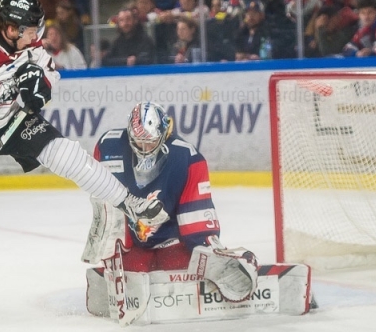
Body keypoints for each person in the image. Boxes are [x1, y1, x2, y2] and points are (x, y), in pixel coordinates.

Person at [0, 0, 168, 314]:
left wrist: (41, 89)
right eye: (31, 30)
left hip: (7, 119)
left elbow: (49, 73)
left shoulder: (26, 44)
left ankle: (130, 203)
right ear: (12, 28)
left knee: (65, 154)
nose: (36, 36)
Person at [87, 102, 257, 303]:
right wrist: (111, 250)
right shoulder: (108, 147)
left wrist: (210, 252)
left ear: (164, 134)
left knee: (184, 273)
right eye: (138, 142)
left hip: (173, 243)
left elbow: (196, 214)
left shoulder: (187, 158)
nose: (144, 149)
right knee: (130, 276)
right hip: (132, 245)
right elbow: (106, 207)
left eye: (150, 142)